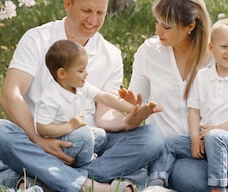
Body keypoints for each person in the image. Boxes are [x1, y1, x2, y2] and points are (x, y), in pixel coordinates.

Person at [0, 0, 165, 192]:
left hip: (89, 144)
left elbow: (104, 117)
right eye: (86, 11)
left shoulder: (111, 54)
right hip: (38, 138)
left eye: (100, 13)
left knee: (153, 137)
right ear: (68, 4)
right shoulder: (37, 38)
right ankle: (92, 186)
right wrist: (40, 140)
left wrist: (131, 119)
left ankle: (49, 180)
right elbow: (10, 96)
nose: (93, 20)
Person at [122, 0, 228, 192]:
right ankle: (220, 179)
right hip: (179, 151)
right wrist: (134, 111)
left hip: (219, 145)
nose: (158, 31)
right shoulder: (149, 52)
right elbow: (134, 104)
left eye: (166, 26)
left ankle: (225, 171)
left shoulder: (218, 52)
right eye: (157, 23)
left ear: (190, 26)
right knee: (192, 180)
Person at [35, 39, 159, 167]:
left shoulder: (80, 86)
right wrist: (70, 126)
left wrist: (133, 109)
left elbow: (104, 97)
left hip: (76, 135)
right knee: (86, 135)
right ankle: (86, 166)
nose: (86, 74)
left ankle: (85, 158)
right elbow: (42, 128)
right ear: (62, 73)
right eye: (81, 71)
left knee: (101, 135)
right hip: (60, 143)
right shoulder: (51, 98)